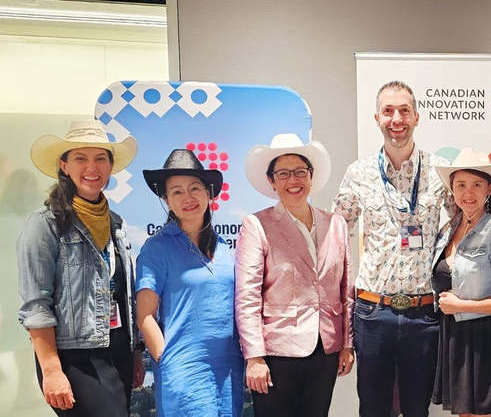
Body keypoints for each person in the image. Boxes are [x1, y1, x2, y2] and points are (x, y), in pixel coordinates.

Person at [333, 80, 456, 417]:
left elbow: (465, 224)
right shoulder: (358, 173)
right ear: (377, 118)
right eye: (388, 111)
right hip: (374, 313)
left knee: (417, 410)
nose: (396, 118)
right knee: (373, 409)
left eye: (404, 110)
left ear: (417, 117)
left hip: (423, 313)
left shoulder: (440, 173)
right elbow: (335, 232)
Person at [17, 119, 144, 416]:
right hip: (75, 359)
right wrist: (51, 371)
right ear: (64, 166)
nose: (92, 167)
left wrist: (135, 352)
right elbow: (36, 305)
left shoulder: (116, 223)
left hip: (117, 349)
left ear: (111, 167)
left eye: (101, 158)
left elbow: (124, 294)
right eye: (81, 158)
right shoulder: (45, 224)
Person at [236, 134, 354, 417]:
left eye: (300, 171)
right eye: (284, 173)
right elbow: (247, 296)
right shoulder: (257, 225)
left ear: (311, 177)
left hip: (325, 348)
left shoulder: (335, 224)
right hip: (277, 352)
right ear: (271, 181)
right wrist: (254, 358)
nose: (293, 180)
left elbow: (345, 289)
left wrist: (347, 344)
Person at [136, 149, 244, 417]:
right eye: (177, 192)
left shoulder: (221, 246)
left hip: (228, 369)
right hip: (184, 371)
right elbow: (145, 316)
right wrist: (167, 360)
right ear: (166, 200)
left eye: (194, 188)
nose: (188, 198)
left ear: (209, 193)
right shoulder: (157, 247)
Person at [431, 148, 491, 417]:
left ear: (489, 189)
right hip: (456, 337)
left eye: (476, 185)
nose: (468, 192)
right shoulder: (448, 230)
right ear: (452, 189)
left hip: (488, 340)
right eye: (461, 185)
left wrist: (460, 305)